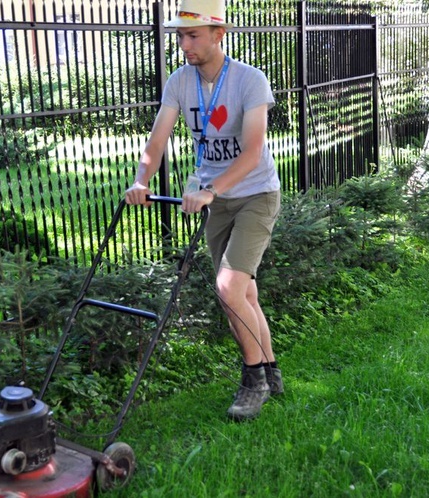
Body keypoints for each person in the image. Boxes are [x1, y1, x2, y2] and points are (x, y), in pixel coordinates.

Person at [124, 0, 282, 420]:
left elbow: (251, 153)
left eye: (192, 35)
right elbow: (156, 142)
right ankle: (270, 368)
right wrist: (142, 179)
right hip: (216, 198)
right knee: (243, 291)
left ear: (219, 33)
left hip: (254, 195)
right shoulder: (180, 82)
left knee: (229, 288)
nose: (184, 44)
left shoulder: (250, 80)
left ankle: (253, 379)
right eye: (180, 36)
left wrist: (210, 189)